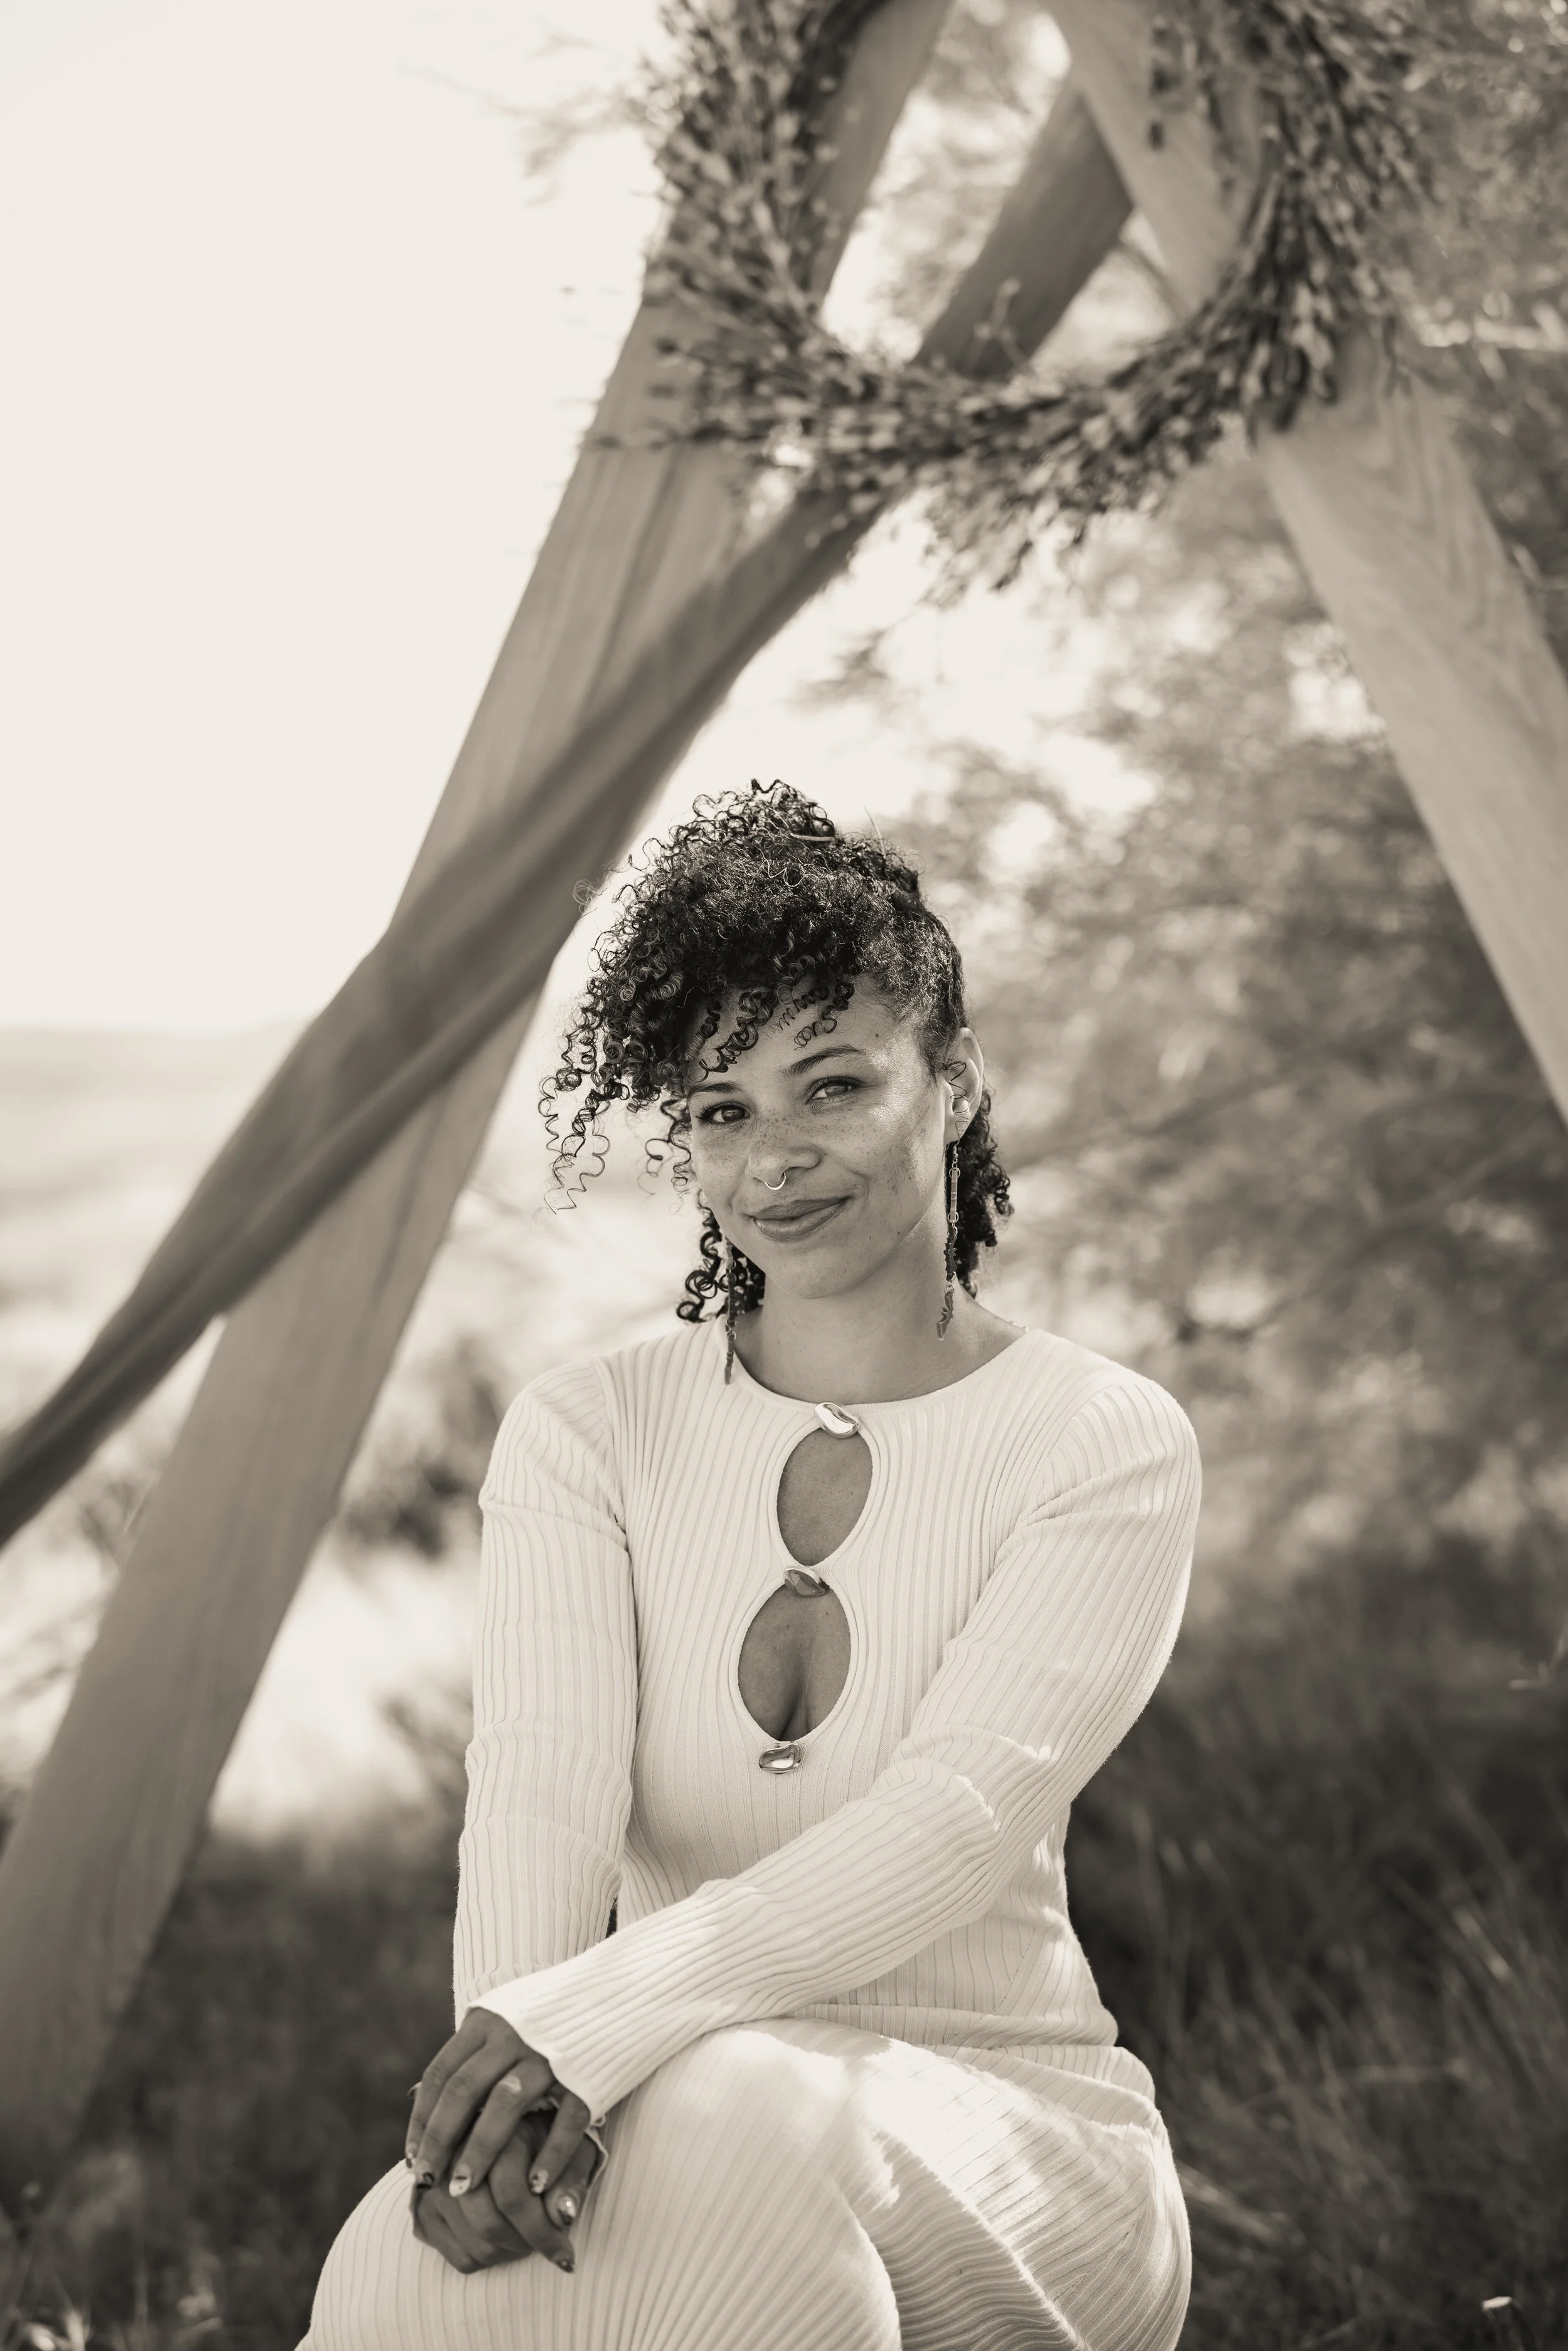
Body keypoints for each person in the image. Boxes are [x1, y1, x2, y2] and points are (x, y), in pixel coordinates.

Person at [301, 781, 1202, 2351]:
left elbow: (947, 1824)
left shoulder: (1098, 1439)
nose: (770, 1157)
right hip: (653, 2092)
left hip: (1005, 2131)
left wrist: (585, 2029)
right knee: (396, 2265)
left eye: (830, 1085)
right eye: (720, 1110)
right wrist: (507, 2105)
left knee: (722, 2122)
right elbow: (538, 1808)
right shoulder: (589, 1429)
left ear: (956, 1086)